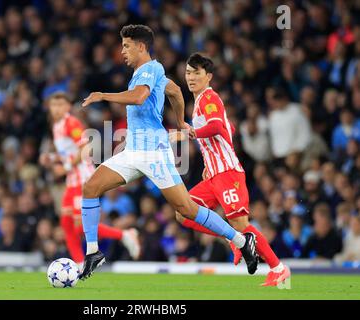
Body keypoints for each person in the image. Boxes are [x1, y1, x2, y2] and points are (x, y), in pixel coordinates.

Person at [80, 25, 258, 279]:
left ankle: (242, 240)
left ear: (141, 47)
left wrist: (103, 95)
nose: (122, 52)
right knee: (90, 188)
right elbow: (174, 92)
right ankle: (93, 253)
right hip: (132, 151)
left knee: (187, 209)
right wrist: (181, 122)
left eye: (126, 46)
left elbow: (140, 97)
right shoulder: (148, 73)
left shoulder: (152, 69)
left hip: (154, 153)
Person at [174, 53, 290, 286]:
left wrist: (191, 133)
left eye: (197, 73)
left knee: (241, 224)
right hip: (214, 174)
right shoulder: (199, 103)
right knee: (183, 212)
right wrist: (209, 161)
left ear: (209, 77)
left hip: (227, 173)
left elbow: (217, 126)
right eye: (188, 72)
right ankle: (236, 240)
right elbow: (229, 127)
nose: (191, 77)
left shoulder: (208, 97)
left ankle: (278, 268)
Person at [39, 92, 141, 265]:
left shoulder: (71, 123)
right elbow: (69, 152)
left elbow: (86, 148)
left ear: (67, 107)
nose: (56, 109)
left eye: (60, 105)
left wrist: (65, 167)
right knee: (66, 223)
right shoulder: (57, 126)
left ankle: (125, 234)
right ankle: (80, 264)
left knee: (81, 225)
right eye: (53, 105)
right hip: (72, 180)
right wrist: (51, 158)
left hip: (83, 179)